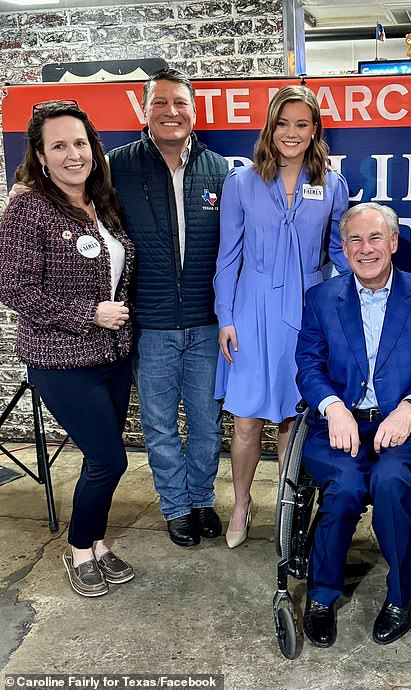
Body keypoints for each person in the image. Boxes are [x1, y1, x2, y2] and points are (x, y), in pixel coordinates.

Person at [295, 203, 411, 647]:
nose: (365, 249)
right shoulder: (321, 299)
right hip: (339, 425)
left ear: (392, 243)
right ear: (343, 248)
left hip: (401, 426)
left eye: (374, 239)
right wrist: (333, 408)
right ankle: (323, 597)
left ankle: (401, 596)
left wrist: (409, 408)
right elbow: (308, 366)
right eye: (355, 240)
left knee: (390, 483)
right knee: (344, 488)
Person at [0, 101, 135, 597]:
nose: (72, 154)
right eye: (59, 145)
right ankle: (79, 549)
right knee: (110, 459)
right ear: (40, 154)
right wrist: (88, 313)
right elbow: (15, 288)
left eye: (80, 143)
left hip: (114, 357)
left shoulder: (102, 201)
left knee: (100, 459)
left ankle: (97, 542)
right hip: (60, 361)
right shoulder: (28, 207)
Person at [214, 85, 349, 549]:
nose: (291, 133)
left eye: (302, 124)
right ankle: (241, 502)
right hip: (250, 313)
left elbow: (339, 251)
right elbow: (227, 257)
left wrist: (366, 293)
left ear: (315, 131)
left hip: (308, 312)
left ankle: (288, 508)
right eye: (283, 123)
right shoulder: (241, 183)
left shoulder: (332, 185)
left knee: (295, 417)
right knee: (247, 419)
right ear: (270, 128)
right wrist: (225, 317)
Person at [108, 69, 229, 548]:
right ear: (144, 110)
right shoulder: (117, 167)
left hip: (206, 323)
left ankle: (201, 500)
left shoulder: (220, 170)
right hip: (151, 324)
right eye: (159, 103)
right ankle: (175, 508)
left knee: (205, 422)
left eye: (179, 102)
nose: (170, 112)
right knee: (159, 426)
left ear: (194, 110)